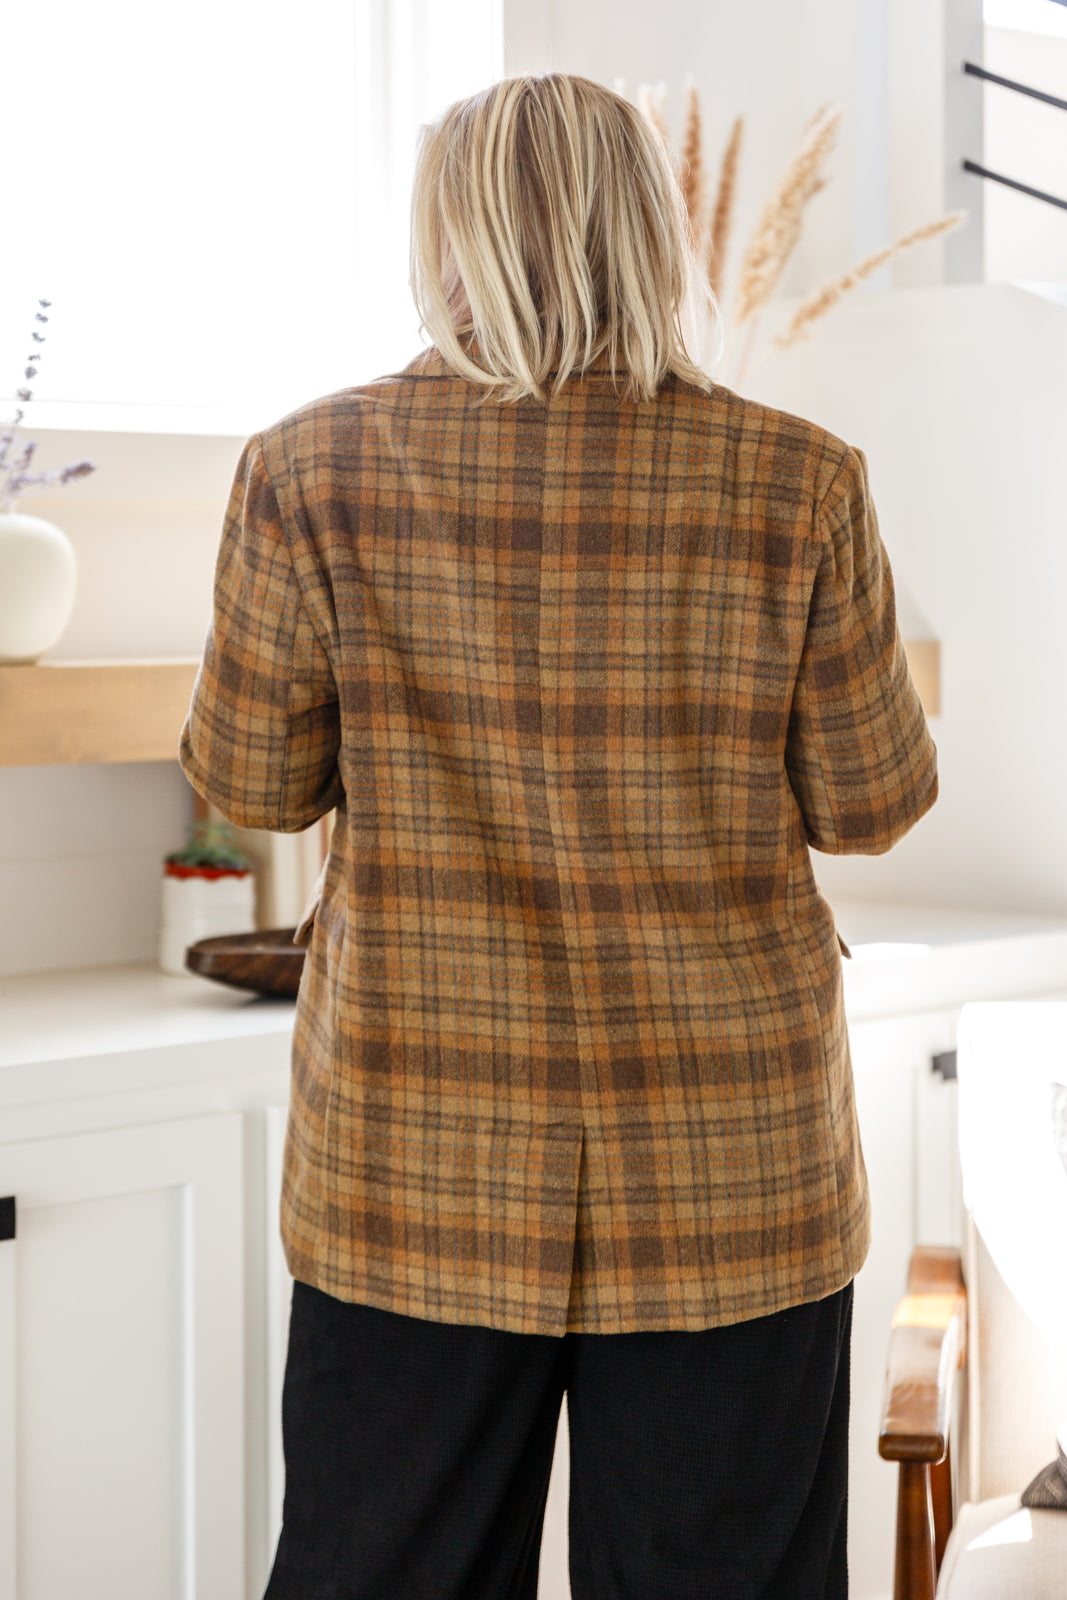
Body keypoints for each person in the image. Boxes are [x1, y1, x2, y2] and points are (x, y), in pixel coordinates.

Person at [179, 70, 938, 1600]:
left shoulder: (307, 470)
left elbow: (252, 783)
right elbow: (872, 805)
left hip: (414, 1163)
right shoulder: (800, 479)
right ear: (648, 234)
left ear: (447, 238)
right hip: (733, 1175)